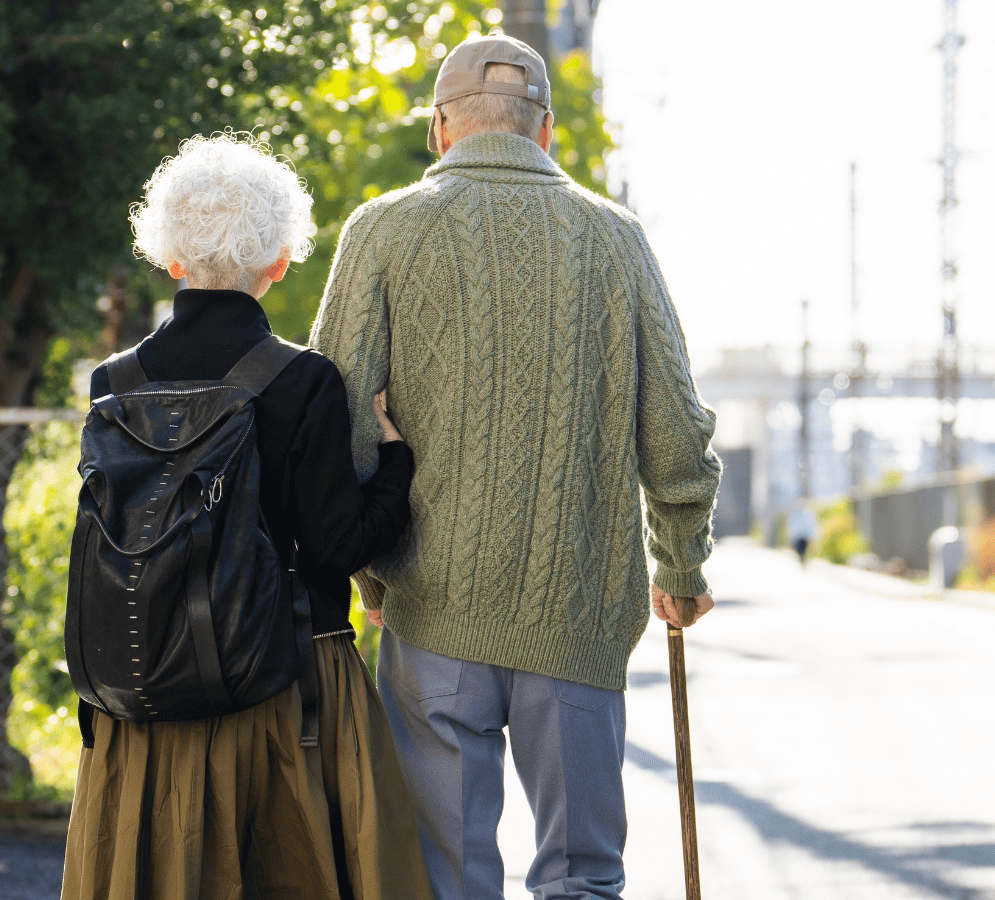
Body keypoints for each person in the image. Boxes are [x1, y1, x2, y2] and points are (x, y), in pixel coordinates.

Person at [307, 34, 722, 900]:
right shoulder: (616, 237)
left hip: (430, 608)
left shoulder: (382, 230)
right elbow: (675, 428)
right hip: (577, 612)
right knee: (582, 876)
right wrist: (680, 564)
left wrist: (369, 570)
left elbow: (336, 418)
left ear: (439, 128)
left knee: (446, 876)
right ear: (546, 130)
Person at [61, 133, 433, 900]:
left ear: (170, 259)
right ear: (279, 260)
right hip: (285, 691)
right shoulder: (304, 379)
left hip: (142, 694)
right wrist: (397, 466)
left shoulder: (113, 382)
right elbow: (337, 546)